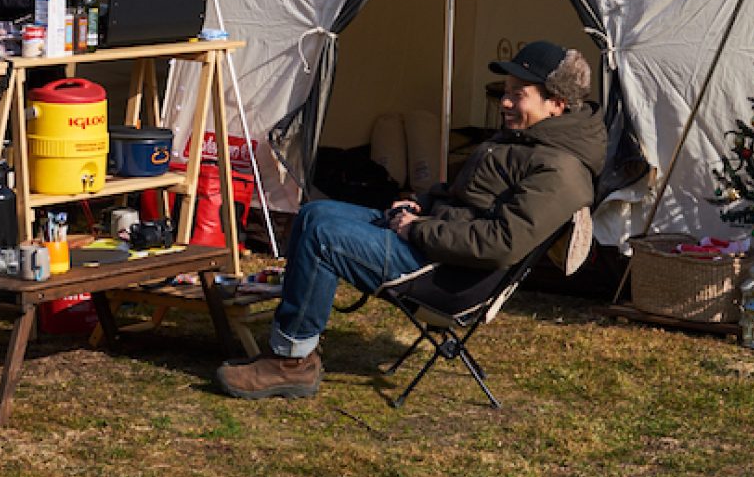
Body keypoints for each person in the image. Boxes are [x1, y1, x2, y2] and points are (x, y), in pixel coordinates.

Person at [217, 40, 604, 400]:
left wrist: (419, 229)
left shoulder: (560, 169)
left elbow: (499, 244)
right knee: (316, 212)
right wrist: (422, 204)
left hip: (449, 276)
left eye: (517, 95)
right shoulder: (528, 140)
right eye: (505, 91)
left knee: (322, 235)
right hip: (437, 243)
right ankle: (295, 344)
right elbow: (466, 198)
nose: (504, 102)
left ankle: (291, 363)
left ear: (556, 103)